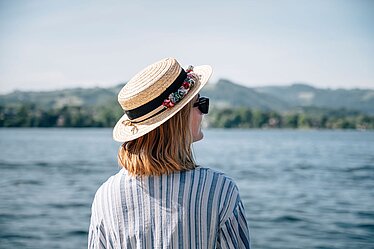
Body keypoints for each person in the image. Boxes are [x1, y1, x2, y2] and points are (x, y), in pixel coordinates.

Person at [88, 58, 251, 248]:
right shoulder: (220, 191)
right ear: (179, 120)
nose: (203, 113)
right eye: (201, 104)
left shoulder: (106, 196)